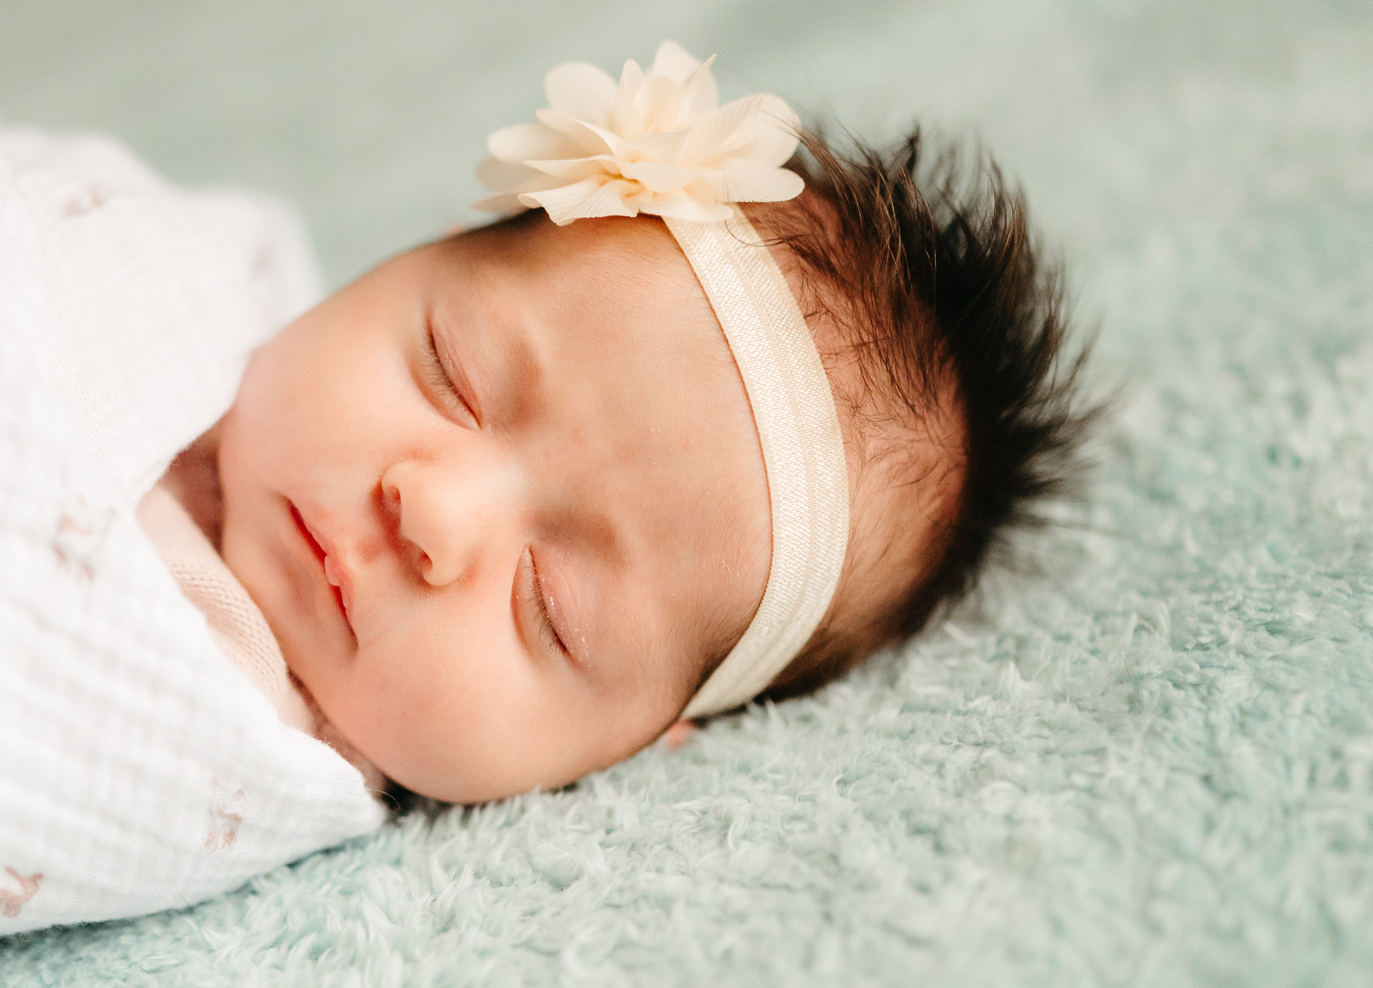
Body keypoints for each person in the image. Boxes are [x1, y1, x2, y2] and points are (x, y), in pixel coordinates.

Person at [140, 41, 1090, 805]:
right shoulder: (164, 268)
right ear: (413, 258)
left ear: (636, 745)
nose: (431, 511)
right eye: (452, 375)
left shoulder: (225, 760)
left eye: (549, 605)